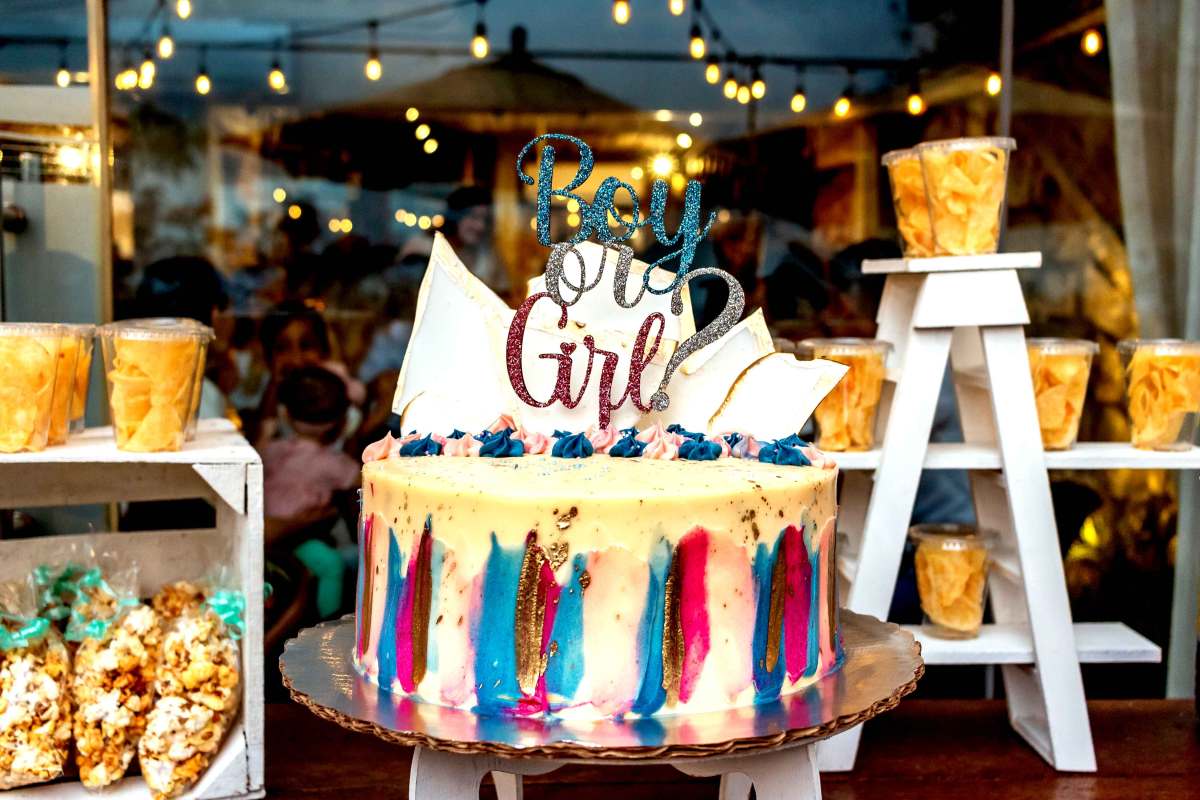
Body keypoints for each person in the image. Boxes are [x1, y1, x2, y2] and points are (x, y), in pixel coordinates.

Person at [261, 366, 360, 618]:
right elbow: (362, 481)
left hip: (264, 533)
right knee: (332, 563)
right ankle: (328, 624)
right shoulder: (333, 463)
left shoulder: (272, 450)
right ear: (343, 422)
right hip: (298, 538)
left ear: (286, 415)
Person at [254, 300, 364, 448]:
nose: (296, 359)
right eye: (282, 348)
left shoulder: (335, 387)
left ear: (324, 350)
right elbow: (264, 432)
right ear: (268, 357)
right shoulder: (270, 391)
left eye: (306, 346)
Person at [443, 185, 507, 294]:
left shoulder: (489, 255)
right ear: (454, 217)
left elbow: (505, 295)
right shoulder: (428, 251)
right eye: (473, 216)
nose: (480, 226)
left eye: (485, 219)